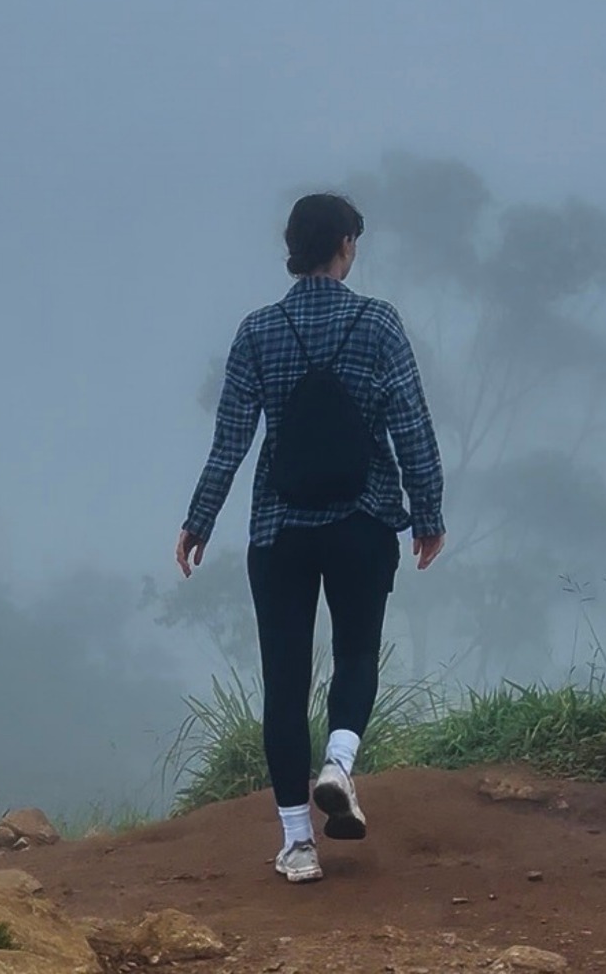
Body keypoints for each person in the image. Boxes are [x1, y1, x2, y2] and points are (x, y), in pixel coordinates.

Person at [176, 191, 446, 884]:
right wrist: (428, 513)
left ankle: (298, 846)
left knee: (284, 683)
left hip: (279, 529)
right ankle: (340, 764)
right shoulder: (378, 323)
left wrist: (198, 520)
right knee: (356, 654)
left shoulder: (258, 330)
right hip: (362, 521)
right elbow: (411, 424)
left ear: (293, 247)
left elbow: (231, 439)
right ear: (346, 246)